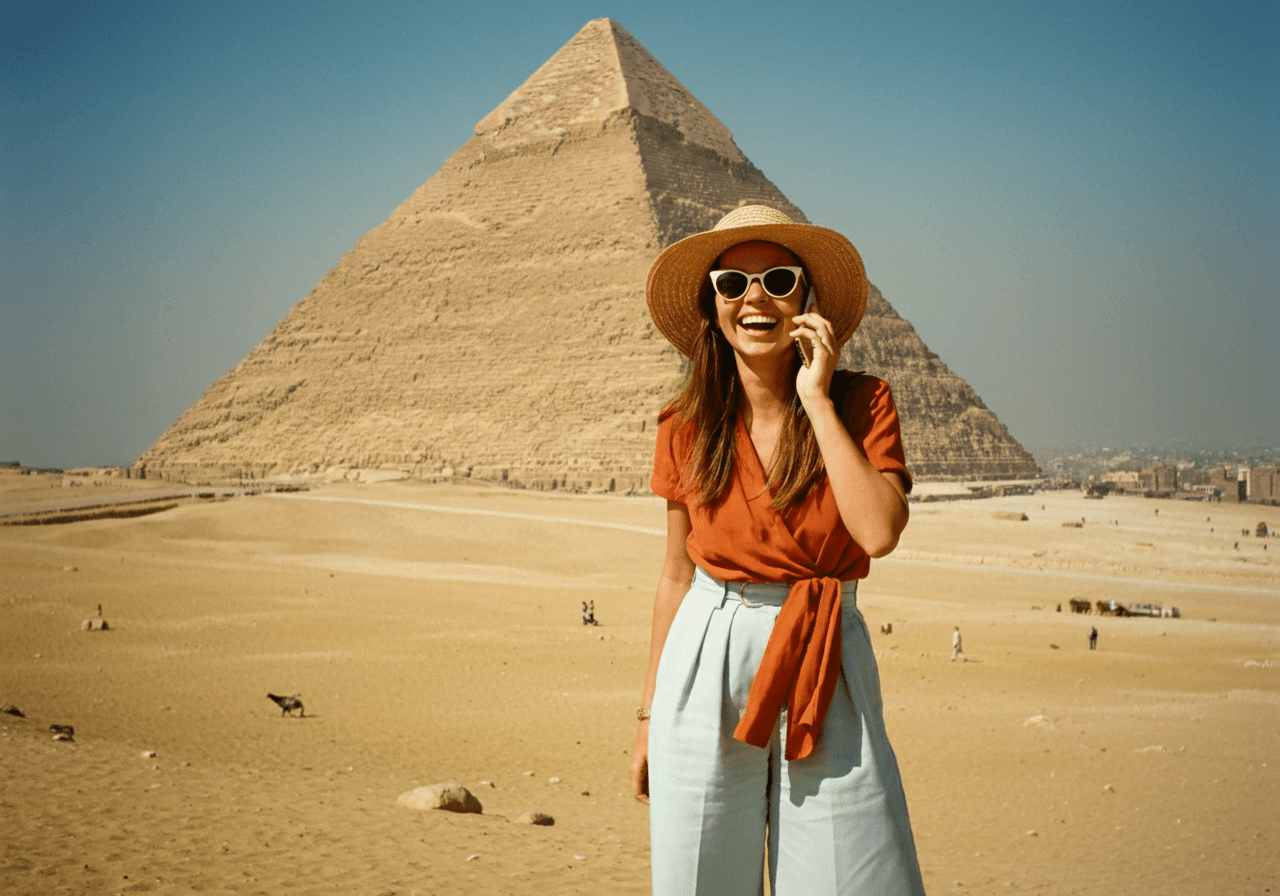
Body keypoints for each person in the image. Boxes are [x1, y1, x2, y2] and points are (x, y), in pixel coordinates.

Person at [630, 205, 925, 895]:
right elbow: (676, 575)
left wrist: (816, 399)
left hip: (824, 654)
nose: (754, 298)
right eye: (732, 283)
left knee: (847, 877)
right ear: (712, 304)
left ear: (807, 299)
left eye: (778, 279)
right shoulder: (685, 423)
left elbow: (879, 532)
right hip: (705, 656)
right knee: (700, 879)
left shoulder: (861, 403)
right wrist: (647, 719)